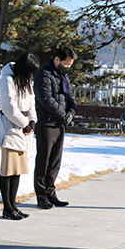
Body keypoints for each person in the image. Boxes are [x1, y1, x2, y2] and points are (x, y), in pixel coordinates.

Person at [0, 52, 40, 220]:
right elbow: (9, 107)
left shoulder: (25, 80)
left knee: (17, 171)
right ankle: (7, 207)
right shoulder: (7, 80)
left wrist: (33, 121)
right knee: (8, 170)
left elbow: (31, 103)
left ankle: (13, 205)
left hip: (22, 129)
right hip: (10, 129)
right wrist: (25, 123)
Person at [34, 46, 77, 209]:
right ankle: (41, 195)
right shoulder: (44, 74)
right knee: (43, 162)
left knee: (55, 162)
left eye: (70, 65)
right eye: (66, 64)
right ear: (57, 60)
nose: (68, 67)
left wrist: (71, 112)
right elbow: (46, 99)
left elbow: (70, 97)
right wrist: (62, 114)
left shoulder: (63, 76)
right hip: (47, 124)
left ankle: (51, 193)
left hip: (60, 124)